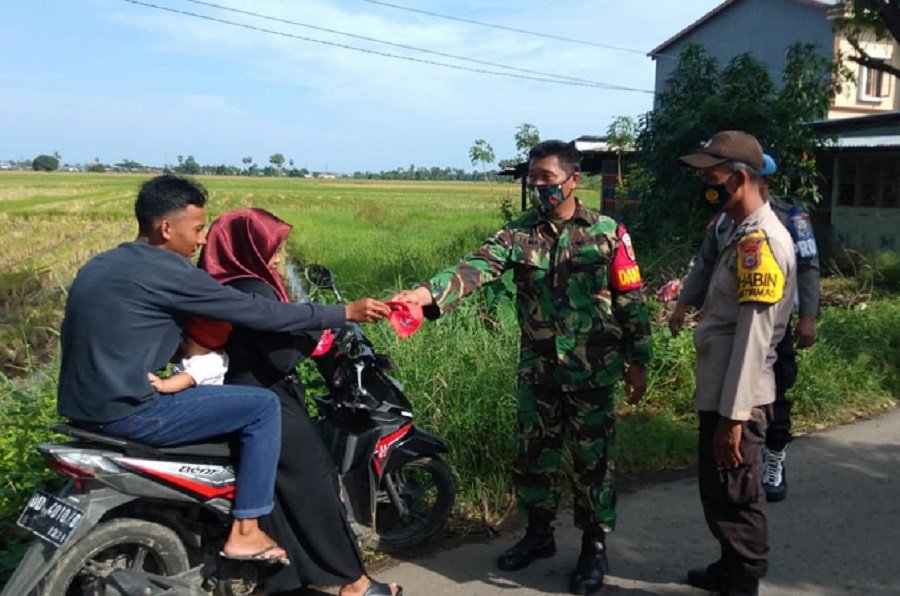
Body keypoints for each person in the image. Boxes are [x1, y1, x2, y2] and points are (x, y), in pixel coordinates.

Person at [57, 174, 391, 566]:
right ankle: (246, 530)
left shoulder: (102, 263)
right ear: (166, 228)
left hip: (81, 409)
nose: (202, 240)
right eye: (197, 229)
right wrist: (343, 312)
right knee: (262, 407)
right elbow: (257, 312)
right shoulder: (170, 272)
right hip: (130, 412)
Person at [392, 140, 652, 595]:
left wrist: (639, 362)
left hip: (592, 371)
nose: (538, 188)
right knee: (534, 456)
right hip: (539, 370)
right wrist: (424, 294)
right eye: (533, 180)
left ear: (574, 180)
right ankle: (538, 534)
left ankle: (594, 546)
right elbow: (473, 268)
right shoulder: (518, 234)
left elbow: (631, 301)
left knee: (593, 462)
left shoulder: (608, 232)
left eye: (547, 179)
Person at [199, 207, 401, 596]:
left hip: (236, 392)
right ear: (250, 247)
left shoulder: (223, 282)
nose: (278, 258)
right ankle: (354, 581)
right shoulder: (253, 287)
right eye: (273, 248)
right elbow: (281, 357)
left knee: (278, 493)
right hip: (266, 398)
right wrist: (317, 332)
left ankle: (285, 580)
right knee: (317, 485)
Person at [678, 131, 797, 596]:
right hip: (723, 388)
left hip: (738, 397)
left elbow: (754, 339)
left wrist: (734, 418)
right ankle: (729, 569)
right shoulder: (735, 231)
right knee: (720, 488)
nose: (706, 187)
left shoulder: (760, 245)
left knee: (737, 494)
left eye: (713, 178)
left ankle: (743, 580)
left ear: (741, 178)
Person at [669, 153, 820, 502]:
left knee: (773, 390)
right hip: (731, 329)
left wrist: (808, 316)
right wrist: (683, 303)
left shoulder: (784, 220)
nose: (710, 188)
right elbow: (705, 262)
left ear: (756, 181)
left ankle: (774, 456)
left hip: (767, 323)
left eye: (714, 179)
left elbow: (809, 266)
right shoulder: (726, 221)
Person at [148, 317, 233, 392]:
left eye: (186, 341)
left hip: (195, 394)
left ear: (205, 346)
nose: (182, 343)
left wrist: (163, 385)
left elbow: (187, 380)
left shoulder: (209, 363)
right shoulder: (196, 353)